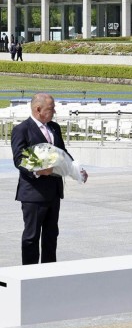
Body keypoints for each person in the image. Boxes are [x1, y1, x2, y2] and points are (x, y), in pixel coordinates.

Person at [11, 93, 88, 264]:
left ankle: (49, 273)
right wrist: (38, 171)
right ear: (38, 109)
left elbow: (63, 153)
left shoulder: (54, 127)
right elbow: (19, 159)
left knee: (51, 235)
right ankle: (30, 275)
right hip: (33, 194)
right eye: (51, 108)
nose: (54, 111)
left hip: (54, 192)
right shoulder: (21, 129)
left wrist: (77, 169)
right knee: (31, 237)